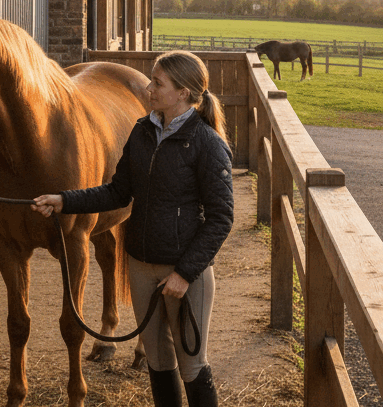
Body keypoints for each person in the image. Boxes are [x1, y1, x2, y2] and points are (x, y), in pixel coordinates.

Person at [32, 50, 234, 407]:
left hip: (184, 273)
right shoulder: (143, 131)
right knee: (158, 362)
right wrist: (65, 200)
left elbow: (221, 219)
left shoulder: (207, 144)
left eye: (157, 83)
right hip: (140, 266)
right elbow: (117, 191)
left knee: (191, 364)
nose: (149, 89)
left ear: (183, 93)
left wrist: (185, 274)